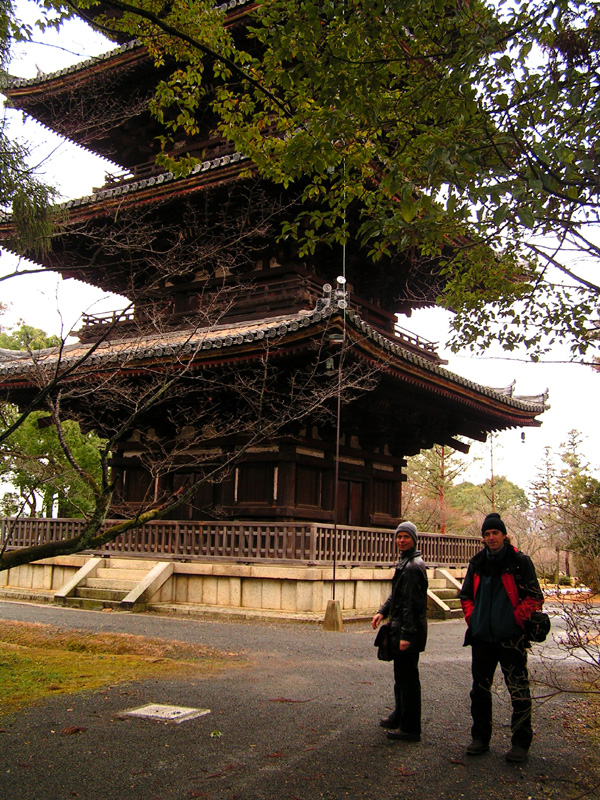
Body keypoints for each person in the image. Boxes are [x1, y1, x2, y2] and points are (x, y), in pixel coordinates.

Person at [460, 512, 544, 763]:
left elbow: (534, 597)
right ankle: (480, 738)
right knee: (480, 690)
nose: (491, 537)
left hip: (511, 638)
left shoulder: (519, 562)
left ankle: (520, 742)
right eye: (486, 534)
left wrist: (516, 619)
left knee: (518, 690)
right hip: (482, 638)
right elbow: (465, 597)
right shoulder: (476, 564)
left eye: (495, 533)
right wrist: (472, 620)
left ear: (504, 535)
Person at [372, 520, 428, 742]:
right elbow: (397, 595)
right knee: (401, 676)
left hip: (408, 631)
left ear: (414, 539)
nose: (401, 540)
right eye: (399, 537)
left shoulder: (413, 567)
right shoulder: (405, 562)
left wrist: (406, 636)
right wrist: (382, 611)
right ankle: (400, 714)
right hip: (401, 627)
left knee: (408, 678)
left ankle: (411, 726)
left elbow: (412, 605)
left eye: (406, 537)